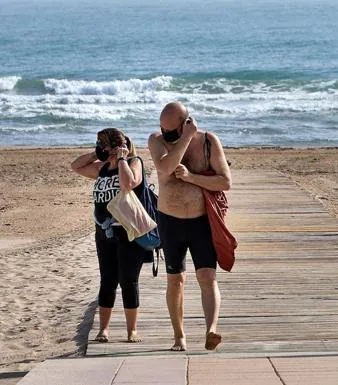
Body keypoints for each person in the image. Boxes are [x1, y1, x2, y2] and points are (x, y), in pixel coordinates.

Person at [148, 101, 231, 351]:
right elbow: (165, 167)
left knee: (207, 276)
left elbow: (225, 181)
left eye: (171, 131)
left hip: (201, 221)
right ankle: (179, 337)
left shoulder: (208, 142)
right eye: (163, 129)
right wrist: (183, 139)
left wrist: (192, 177)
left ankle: (211, 330)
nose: (166, 135)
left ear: (186, 123)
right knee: (176, 279)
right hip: (170, 221)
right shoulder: (157, 141)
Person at [70, 128, 145, 343]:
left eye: (108, 145)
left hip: (127, 230)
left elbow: (129, 183)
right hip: (104, 231)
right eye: (103, 146)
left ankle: (132, 331)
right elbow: (76, 166)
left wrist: (122, 159)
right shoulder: (101, 168)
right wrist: (97, 154)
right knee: (107, 280)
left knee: (128, 280)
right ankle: (103, 329)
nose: (107, 150)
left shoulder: (134, 163)